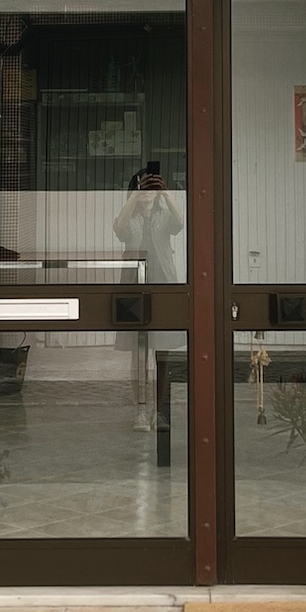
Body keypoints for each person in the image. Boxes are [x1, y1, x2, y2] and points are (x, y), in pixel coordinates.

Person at [112, 167, 184, 429]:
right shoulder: (127, 215)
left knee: (162, 352)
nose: (146, 191)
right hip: (133, 286)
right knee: (138, 352)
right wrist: (133, 196)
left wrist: (165, 193)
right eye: (141, 186)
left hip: (163, 283)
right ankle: (140, 410)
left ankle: (159, 410)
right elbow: (120, 230)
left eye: (150, 187)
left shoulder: (164, 214)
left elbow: (179, 224)